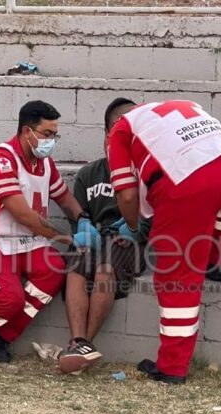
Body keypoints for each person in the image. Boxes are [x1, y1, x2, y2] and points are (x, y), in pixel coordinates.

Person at [108, 99, 221, 384]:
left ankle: (172, 368)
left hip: (188, 181)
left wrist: (132, 225)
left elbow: (126, 195)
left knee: (176, 276)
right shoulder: (179, 106)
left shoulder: (121, 131)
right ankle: (220, 262)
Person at [0, 100, 99, 363]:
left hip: (23, 242)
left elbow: (63, 198)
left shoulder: (45, 164)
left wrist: (82, 218)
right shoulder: (0, 160)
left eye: (55, 135)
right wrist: (67, 237)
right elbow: (24, 215)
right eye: (47, 134)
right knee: (9, 297)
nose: (52, 141)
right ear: (27, 132)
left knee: (53, 272)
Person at [57, 97, 151, 374]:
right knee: (75, 265)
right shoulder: (89, 174)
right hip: (95, 240)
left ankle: (84, 343)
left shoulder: (144, 173)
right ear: (108, 132)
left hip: (126, 243)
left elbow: (152, 217)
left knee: (105, 268)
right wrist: (83, 229)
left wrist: (134, 230)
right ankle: (79, 344)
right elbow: (78, 215)